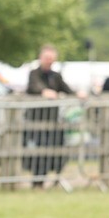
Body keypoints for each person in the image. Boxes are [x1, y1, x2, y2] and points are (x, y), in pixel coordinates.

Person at [24, 44, 86, 185]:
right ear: (41, 58)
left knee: (59, 149)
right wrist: (44, 91)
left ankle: (56, 178)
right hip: (36, 122)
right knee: (39, 153)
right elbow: (35, 86)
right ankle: (38, 182)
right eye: (47, 58)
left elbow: (66, 88)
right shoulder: (34, 73)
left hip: (52, 121)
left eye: (52, 59)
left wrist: (77, 94)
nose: (49, 61)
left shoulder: (55, 76)